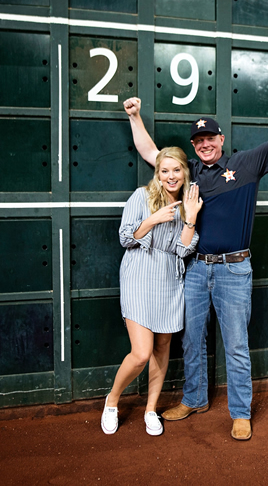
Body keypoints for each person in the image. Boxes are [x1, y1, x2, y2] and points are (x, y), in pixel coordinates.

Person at [123, 77, 268, 440]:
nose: (205, 144)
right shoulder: (187, 173)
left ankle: (240, 413)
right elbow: (151, 154)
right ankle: (194, 398)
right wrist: (135, 117)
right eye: (199, 141)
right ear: (194, 146)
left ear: (220, 140)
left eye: (210, 139)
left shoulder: (245, 165)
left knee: (234, 343)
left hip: (235, 268)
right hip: (197, 266)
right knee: (191, 339)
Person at [101, 147, 203, 436]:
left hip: (170, 281)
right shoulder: (141, 196)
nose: (171, 176)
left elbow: (183, 250)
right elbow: (125, 237)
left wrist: (191, 217)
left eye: (176, 170)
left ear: (185, 172)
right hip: (139, 275)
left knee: (161, 348)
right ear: (157, 174)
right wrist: (153, 219)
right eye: (165, 170)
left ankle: (150, 410)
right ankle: (112, 401)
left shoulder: (188, 203)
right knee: (142, 352)